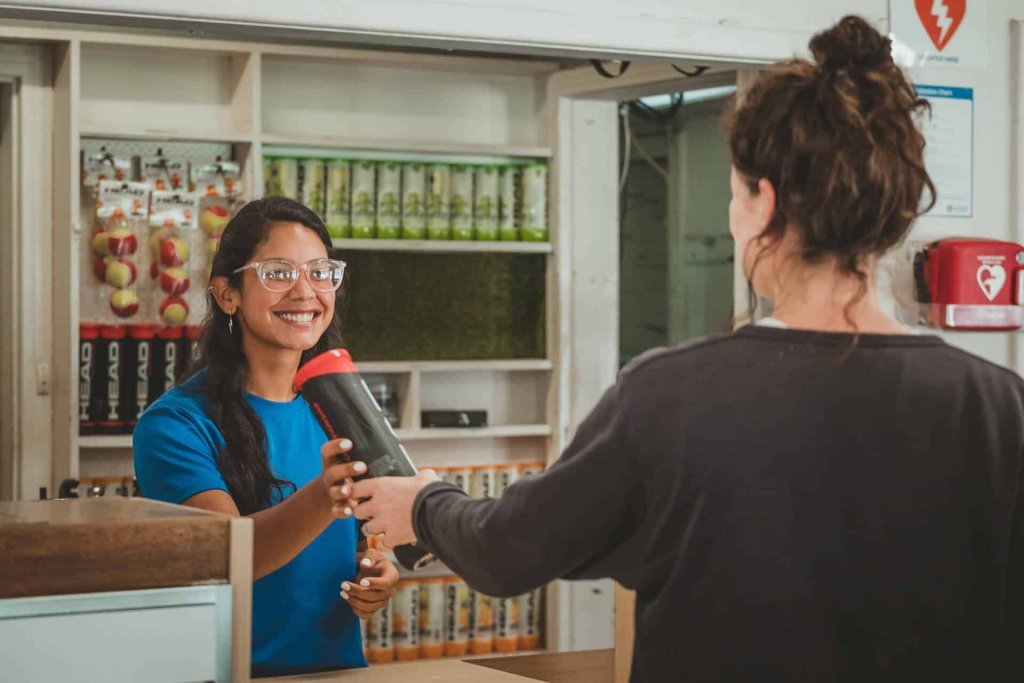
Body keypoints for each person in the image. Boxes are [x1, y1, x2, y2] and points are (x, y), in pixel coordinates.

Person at [344, 16, 1024, 682]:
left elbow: (510, 551)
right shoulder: (997, 404)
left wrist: (426, 505)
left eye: (733, 192)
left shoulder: (672, 396)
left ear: (763, 203)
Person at [134, 197, 398, 678]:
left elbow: (362, 542)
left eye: (320, 273)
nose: (305, 292)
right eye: (278, 273)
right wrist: (326, 494)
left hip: (340, 673)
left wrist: (376, 570)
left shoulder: (342, 410)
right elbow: (225, 559)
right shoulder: (173, 426)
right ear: (226, 293)